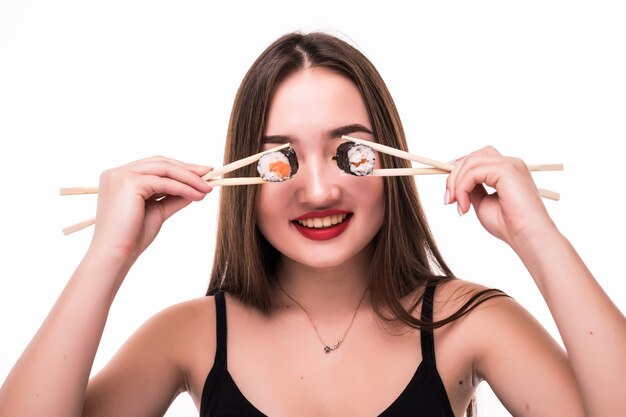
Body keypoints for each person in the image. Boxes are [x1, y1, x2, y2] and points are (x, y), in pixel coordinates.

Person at [0, 31, 624, 417]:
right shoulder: (188, 336)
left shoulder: (469, 321)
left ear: (394, 162)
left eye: (351, 152)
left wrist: (537, 238)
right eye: (280, 159)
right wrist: (106, 257)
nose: (319, 189)